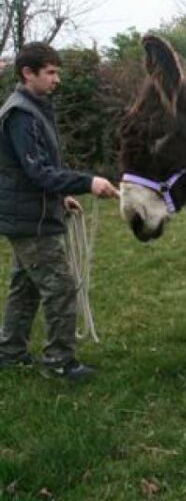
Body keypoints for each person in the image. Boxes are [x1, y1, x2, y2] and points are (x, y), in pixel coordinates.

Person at [0, 42, 118, 380]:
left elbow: (34, 168)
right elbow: (37, 171)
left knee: (25, 286)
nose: (57, 79)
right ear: (28, 73)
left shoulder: (33, 107)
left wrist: (61, 195)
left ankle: (10, 351)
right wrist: (88, 182)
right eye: (51, 72)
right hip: (31, 220)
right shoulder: (21, 114)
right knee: (61, 287)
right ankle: (59, 362)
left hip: (27, 214)